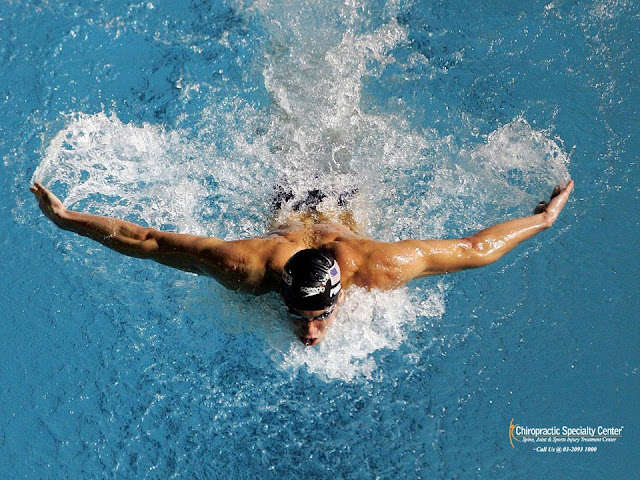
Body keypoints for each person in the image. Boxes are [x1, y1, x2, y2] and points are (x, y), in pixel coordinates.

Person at [31, 180, 574, 346]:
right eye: (298, 316)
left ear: (341, 292)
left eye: (318, 316)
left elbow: (476, 250)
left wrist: (544, 220)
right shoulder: (246, 267)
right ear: (281, 290)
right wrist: (66, 217)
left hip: (343, 198)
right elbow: (149, 241)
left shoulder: (379, 268)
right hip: (286, 199)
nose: (309, 333)